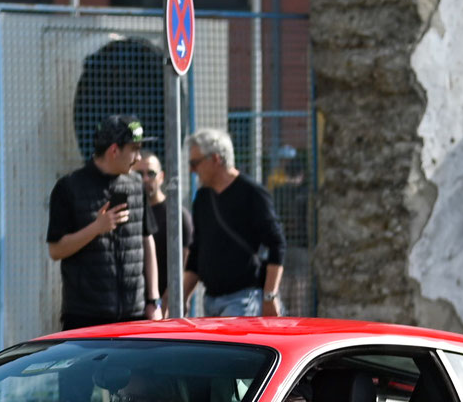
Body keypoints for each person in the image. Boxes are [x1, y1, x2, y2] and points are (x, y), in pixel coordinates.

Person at [49, 115, 157, 329]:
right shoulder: (69, 187)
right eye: (134, 149)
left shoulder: (136, 184)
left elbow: (147, 240)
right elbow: (55, 250)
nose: (137, 157)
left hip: (134, 314)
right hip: (86, 317)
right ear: (114, 150)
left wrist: (153, 301)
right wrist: (96, 228)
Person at [182, 128, 288, 317]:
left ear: (215, 159)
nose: (191, 170)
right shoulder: (203, 197)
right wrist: (182, 297)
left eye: (195, 163)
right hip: (210, 300)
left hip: (243, 299)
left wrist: (270, 296)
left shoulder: (252, 194)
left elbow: (277, 244)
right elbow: (197, 250)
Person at [138, 152, 192, 315]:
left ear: (161, 177)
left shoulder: (177, 215)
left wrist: (172, 298)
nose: (145, 179)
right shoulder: (128, 212)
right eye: (139, 174)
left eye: (151, 173)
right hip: (133, 302)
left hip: (163, 305)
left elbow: (186, 262)